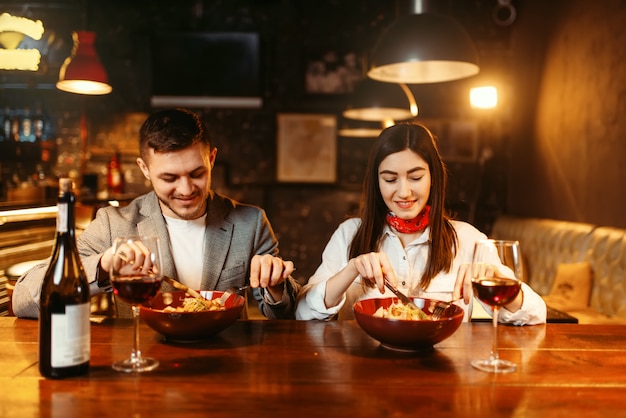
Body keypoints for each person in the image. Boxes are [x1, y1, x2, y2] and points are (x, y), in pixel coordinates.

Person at [13, 108, 301, 319]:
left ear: (211, 159)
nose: (186, 189)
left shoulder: (250, 222)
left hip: (227, 363)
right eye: (169, 178)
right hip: (143, 364)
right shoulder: (114, 225)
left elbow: (285, 316)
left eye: (197, 173)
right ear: (145, 169)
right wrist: (103, 266)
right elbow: (24, 299)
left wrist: (275, 286)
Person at [295, 123, 546, 324]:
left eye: (415, 177)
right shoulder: (349, 235)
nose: (404, 192)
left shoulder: (468, 239)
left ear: (433, 178)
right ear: (377, 183)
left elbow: (536, 315)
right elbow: (302, 312)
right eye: (390, 179)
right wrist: (350, 270)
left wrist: (495, 277)